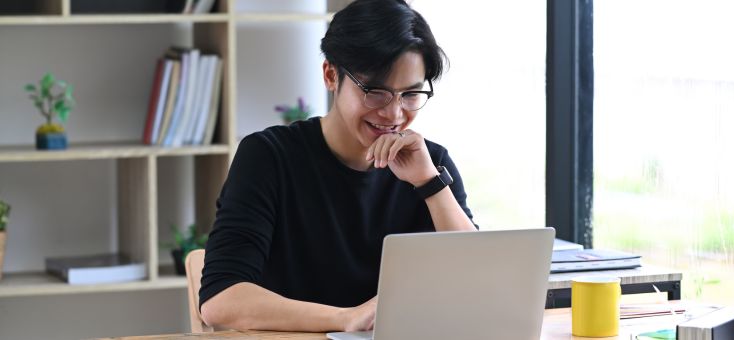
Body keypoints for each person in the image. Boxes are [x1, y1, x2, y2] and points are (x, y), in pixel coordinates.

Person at [199, 0, 477, 333]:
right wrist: (346, 318)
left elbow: (478, 284)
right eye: (376, 92)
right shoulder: (269, 157)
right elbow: (220, 300)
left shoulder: (432, 164)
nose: (394, 113)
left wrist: (430, 183)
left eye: (411, 94)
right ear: (331, 75)